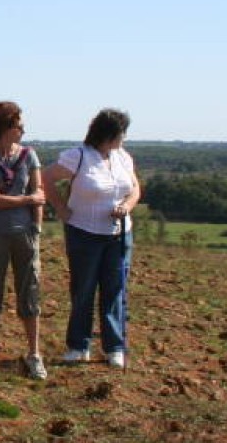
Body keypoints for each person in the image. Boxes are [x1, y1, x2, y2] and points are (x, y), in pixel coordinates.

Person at [42, 108, 141, 369]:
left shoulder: (123, 158)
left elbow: (135, 188)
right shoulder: (78, 156)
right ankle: (78, 345)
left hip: (118, 234)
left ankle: (115, 347)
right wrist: (60, 208)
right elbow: (45, 177)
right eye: (122, 133)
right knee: (83, 290)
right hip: (84, 232)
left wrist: (127, 206)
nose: (125, 138)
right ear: (109, 133)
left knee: (115, 289)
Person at [0, 101, 49, 380]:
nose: (22, 129)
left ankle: (34, 353)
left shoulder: (30, 156)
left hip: (24, 234)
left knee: (30, 292)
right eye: (18, 124)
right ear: (4, 127)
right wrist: (27, 200)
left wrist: (36, 230)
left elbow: (39, 193)